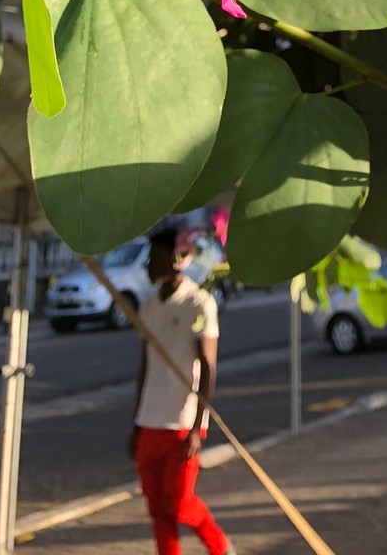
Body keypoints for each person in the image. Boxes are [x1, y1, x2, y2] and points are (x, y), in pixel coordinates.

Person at [129, 228, 236, 555]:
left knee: (179, 504)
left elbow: (208, 366)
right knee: (157, 508)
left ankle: (220, 547)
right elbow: (145, 365)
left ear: (176, 260)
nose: (148, 265)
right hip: (150, 421)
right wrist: (136, 421)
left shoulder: (198, 303)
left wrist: (197, 428)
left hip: (182, 422)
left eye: (155, 257)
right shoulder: (148, 306)